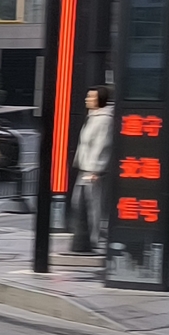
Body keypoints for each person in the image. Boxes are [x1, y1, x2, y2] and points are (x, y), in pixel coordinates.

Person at [72, 84, 113, 252]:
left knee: (92, 205)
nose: (87, 99)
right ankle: (85, 236)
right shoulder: (93, 116)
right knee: (78, 203)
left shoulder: (104, 119)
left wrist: (96, 169)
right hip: (84, 167)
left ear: (100, 100)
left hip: (92, 170)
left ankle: (93, 238)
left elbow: (102, 145)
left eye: (91, 97)